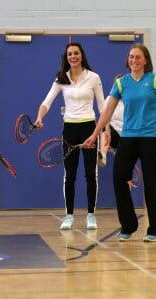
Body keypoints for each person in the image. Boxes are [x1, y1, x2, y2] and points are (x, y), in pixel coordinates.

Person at [84, 43, 156, 242]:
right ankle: (129, 225)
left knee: (151, 183)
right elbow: (106, 112)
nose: (134, 60)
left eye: (138, 57)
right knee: (119, 177)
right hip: (128, 137)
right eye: (131, 57)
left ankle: (154, 231)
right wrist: (94, 134)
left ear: (146, 60)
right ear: (128, 60)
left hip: (150, 139)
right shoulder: (122, 83)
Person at [34, 42, 105, 231]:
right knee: (70, 175)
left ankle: (91, 215)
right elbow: (46, 101)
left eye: (76, 53)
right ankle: (69, 215)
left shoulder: (94, 78)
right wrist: (40, 117)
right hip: (70, 130)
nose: (73, 56)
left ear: (82, 56)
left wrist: (103, 132)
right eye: (69, 54)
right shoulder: (61, 79)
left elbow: (102, 106)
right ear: (66, 58)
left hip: (89, 128)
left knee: (91, 174)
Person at [97, 73, 124, 167]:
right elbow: (105, 116)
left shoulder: (131, 100)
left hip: (126, 137)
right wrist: (107, 130)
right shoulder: (109, 99)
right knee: (103, 125)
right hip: (112, 134)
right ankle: (103, 155)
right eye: (117, 85)